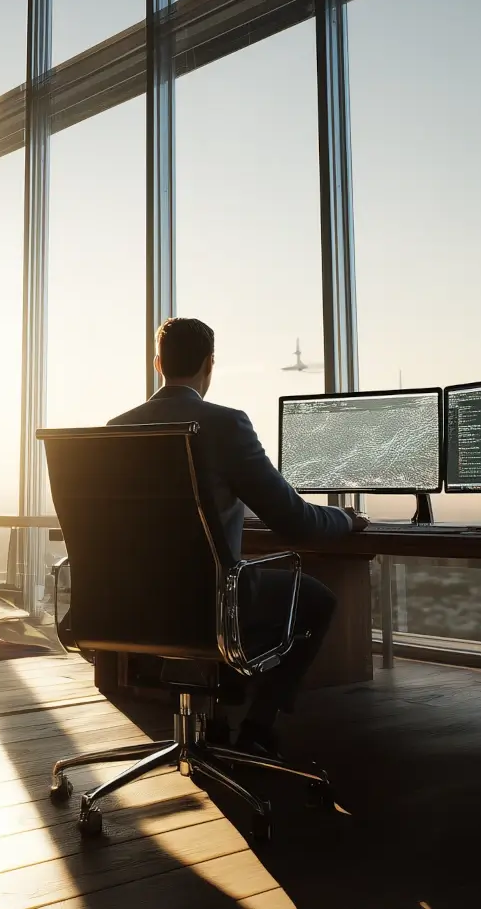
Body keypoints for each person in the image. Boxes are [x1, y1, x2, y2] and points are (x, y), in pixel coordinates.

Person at [109, 317, 368, 755]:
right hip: (210, 603)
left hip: (131, 604)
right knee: (316, 598)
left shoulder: (116, 429)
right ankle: (258, 727)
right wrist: (347, 519)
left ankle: (218, 714)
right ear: (210, 365)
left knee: (250, 591)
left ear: (158, 364)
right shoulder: (226, 425)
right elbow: (297, 524)